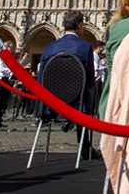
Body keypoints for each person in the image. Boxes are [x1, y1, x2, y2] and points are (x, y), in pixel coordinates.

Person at [39, 9, 97, 155]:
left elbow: (41, 80)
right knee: (86, 93)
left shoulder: (49, 48)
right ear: (79, 26)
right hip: (78, 102)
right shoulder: (84, 48)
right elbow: (90, 79)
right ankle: (84, 145)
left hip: (52, 103)